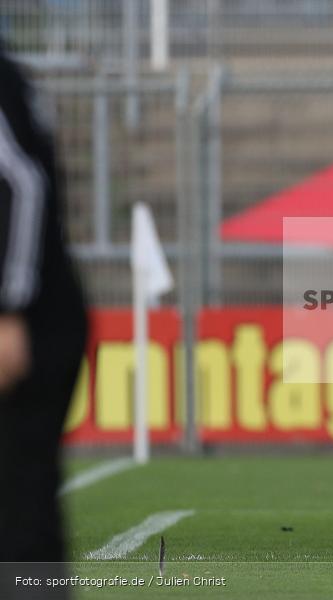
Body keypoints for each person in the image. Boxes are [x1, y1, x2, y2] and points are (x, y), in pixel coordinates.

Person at [0, 48, 89, 598]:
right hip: (40, 313)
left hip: (30, 321)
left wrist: (9, 310)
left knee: (20, 515)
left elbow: (20, 184)